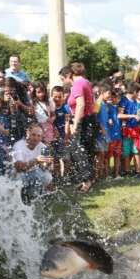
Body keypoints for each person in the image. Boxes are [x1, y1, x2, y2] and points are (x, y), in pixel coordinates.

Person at [62, 62, 95, 191]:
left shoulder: (77, 84)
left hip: (83, 120)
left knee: (78, 150)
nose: (63, 81)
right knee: (84, 150)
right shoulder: (86, 81)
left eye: (62, 78)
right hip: (89, 120)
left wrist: (75, 123)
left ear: (69, 74)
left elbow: (80, 104)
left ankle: (86, 181)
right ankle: (88, 179)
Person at [12, 123, 53, 201]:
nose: (36, 138)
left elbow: (46, 168)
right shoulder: (19, 145)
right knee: (19, 177)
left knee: (47, 176)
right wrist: (36, 160)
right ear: (28, 133)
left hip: (32, 174)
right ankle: (16, 201)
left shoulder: (43, 147)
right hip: (17, 176)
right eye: (33, 135)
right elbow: (19, 168)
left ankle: (46, 199)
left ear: (41, 137)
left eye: (39, 136)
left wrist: (48, 164)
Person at [118, 83, 140, 176]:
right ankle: (126, 171)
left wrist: (138, 116)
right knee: (126, 152)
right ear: (134, 92)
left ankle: (138, 172)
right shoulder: (123, 101)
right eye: (138, 92)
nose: (139, 95)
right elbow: (119, 115)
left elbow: (138, 115)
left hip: (136, 130)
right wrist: (132, 116)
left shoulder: (137, 103)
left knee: (136, 151)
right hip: (126, 130)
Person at [106, 89, 123, 179]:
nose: (115, 99)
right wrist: (109, 119)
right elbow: (106, 118)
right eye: (113, 97)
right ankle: (107, 174)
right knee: (108, 156)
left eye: (117, 97)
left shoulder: (119, 108)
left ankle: (116, 174)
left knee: (117, 156)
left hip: (118, 136)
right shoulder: (107, 107)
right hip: (110, 136)